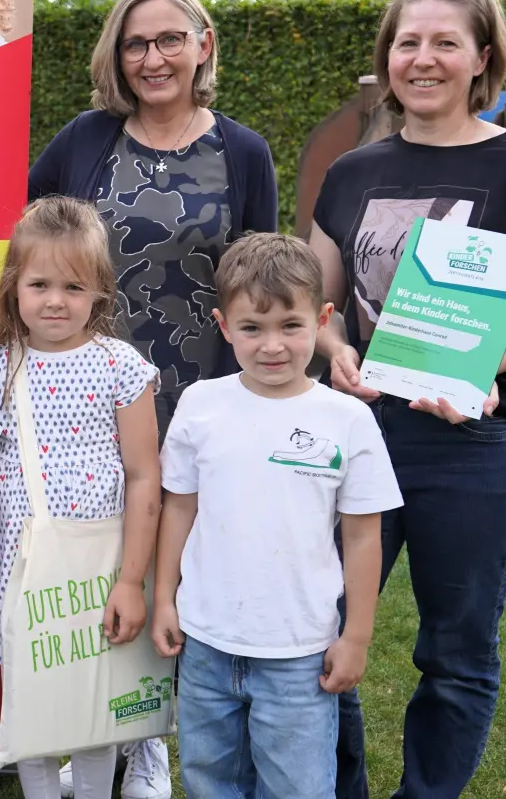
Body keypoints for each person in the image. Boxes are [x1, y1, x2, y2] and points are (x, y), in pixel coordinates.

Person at [310, 0, 506, 799]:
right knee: (319, 629)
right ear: (387, 57)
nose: (423, 59)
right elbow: (320, 304)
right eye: (408, 42)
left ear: (482, 59)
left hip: (475, 449)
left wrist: (477, 363)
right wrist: (332, 345)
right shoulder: (353, 174)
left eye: (445, 43)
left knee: (456, 653)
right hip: (358, 437)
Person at [26, 0, 279, 797]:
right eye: (137, 42)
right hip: (90, 398)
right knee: (101, 566)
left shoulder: (242, 152)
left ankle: (151, 740)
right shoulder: (84, 141)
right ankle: (85, 723)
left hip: (202, 397)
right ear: (117, 55)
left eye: (171, 38)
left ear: (202, 44)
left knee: (179, 568)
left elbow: (258, 278)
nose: (154, 57)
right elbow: (39, 252)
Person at [150, 233, 402, 798]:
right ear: (223, 325)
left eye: (291, 325)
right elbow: (179, 508)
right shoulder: (200, 406)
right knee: (209, 782)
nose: (272, 346)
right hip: (206, 645)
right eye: (251, 328)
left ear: (323, 318)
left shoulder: (348, 420)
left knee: (297, 788)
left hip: (299, 654)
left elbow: (364, 536)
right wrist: (164, 597)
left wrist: (356, 636)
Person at [0, 198, 161, 799]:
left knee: (93, 704)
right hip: (13, 569)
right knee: (30, 704)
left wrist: (132, 580)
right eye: (39, 284)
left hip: (98, 571)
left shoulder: (120, 366)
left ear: (99, 291)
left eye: (73, 286)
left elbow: (145, 475)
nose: (54, 300)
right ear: (14, 287)